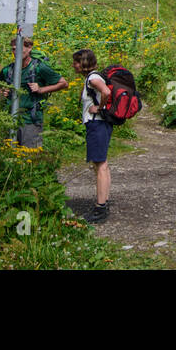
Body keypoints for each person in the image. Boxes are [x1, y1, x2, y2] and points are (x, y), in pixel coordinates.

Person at [0, 36, 68, 148]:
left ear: (29, 48)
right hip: (9, 119)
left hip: (31, 120)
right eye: (13, 49)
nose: (16, 52)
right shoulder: (8, 70)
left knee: (29, 156)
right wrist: (2, 92)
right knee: (9, 155)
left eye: (19, 49)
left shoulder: (39, 68)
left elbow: (63, 83)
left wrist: (41, 89)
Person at [73, 48, 113, 223]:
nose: (73, 65)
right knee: (102, 164)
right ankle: (102, 202)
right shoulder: (93, 77)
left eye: (75, 62)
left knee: (100, 165)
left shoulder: (93, 78)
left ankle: (100, 208)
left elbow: (106, 92)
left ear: (82, 63)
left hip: (97, 123)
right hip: (99, 124)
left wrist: (100, 108)